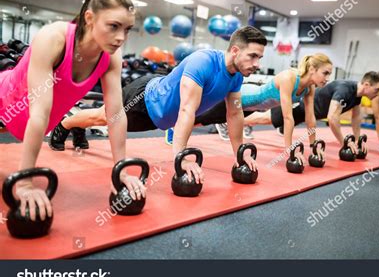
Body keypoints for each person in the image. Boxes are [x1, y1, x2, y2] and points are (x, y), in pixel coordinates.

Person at [49, 26, 267, 183]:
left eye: (260, 58)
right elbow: (186, 109)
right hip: (144, 100)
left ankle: (75, 125)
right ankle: (66, 124)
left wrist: (241, 154)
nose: (257, 64)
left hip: (161, 117)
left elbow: (235, 115)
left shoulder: (236, 76)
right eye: (253, 56)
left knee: (101, 117)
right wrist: (180, 158)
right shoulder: (204, 62)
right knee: (101, 117)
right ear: (236, 51)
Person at [0, 0, 138, 221]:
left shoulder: (111, 59)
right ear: (90, 18)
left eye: (127, 30)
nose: (120, 38)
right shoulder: (54, 38)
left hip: (28, 122)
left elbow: (115, 114)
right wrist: (25, 181)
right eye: (113, 26)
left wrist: (121, 171)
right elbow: (39, 113)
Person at [194, 54, 333, 164]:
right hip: (244, 97)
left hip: (253, 108)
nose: (327, 78)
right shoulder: (289, 77)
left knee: (209, 119)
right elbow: (287, 117)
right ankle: (173, 127)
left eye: (329, 75)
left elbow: (310, 118)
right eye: (325, 73)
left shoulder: (309, 88)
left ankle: (224, 123)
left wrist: (313, 145)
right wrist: (289, 150)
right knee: (201, 118)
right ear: (312, 69)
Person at [251, 71, 379, 154]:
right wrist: (344, 144)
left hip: (310, 115)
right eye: (377, 89)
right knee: (263, 119)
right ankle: (234, 123)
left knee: (266, 119)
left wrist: (356, 141)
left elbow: (356, 119)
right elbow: (332, 118)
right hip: (300, 107)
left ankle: (240, 123)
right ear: (367, 85)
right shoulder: (345, 89)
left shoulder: (357, 96)